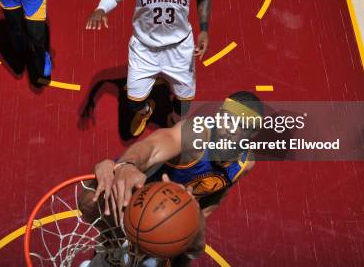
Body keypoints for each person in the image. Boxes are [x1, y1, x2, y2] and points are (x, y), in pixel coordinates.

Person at [79, 91, 263, 266]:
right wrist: (127, 164)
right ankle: (112, 246)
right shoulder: (194, 134)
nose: (230, 130)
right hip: (141, 200)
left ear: (253, 134)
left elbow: (217, 194)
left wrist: (195, 220)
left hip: (173, 214)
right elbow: (152, 147)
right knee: (91, 199)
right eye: (227, 119)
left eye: (242, 126)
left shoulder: (245, 163)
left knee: (192, 250)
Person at [85, 0, 211, 137]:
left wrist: (204, 29)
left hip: (179, 49)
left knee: (184, 105)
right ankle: (146, 111)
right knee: (133, 103)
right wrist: (101, 9)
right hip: (144, 49)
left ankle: (174, 120)